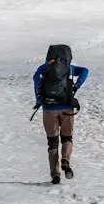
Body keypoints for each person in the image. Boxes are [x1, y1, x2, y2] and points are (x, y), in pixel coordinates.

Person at [33, 44, 89, 184]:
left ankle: (55, 175)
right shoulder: (69, 68)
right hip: (66, 108)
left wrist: (39, 99)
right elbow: (85, 71)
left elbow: (35, 79)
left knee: (52, 142)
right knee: (67, 138)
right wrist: (76, 86)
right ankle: (65, 160)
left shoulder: (44, 67)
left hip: (48, 109)